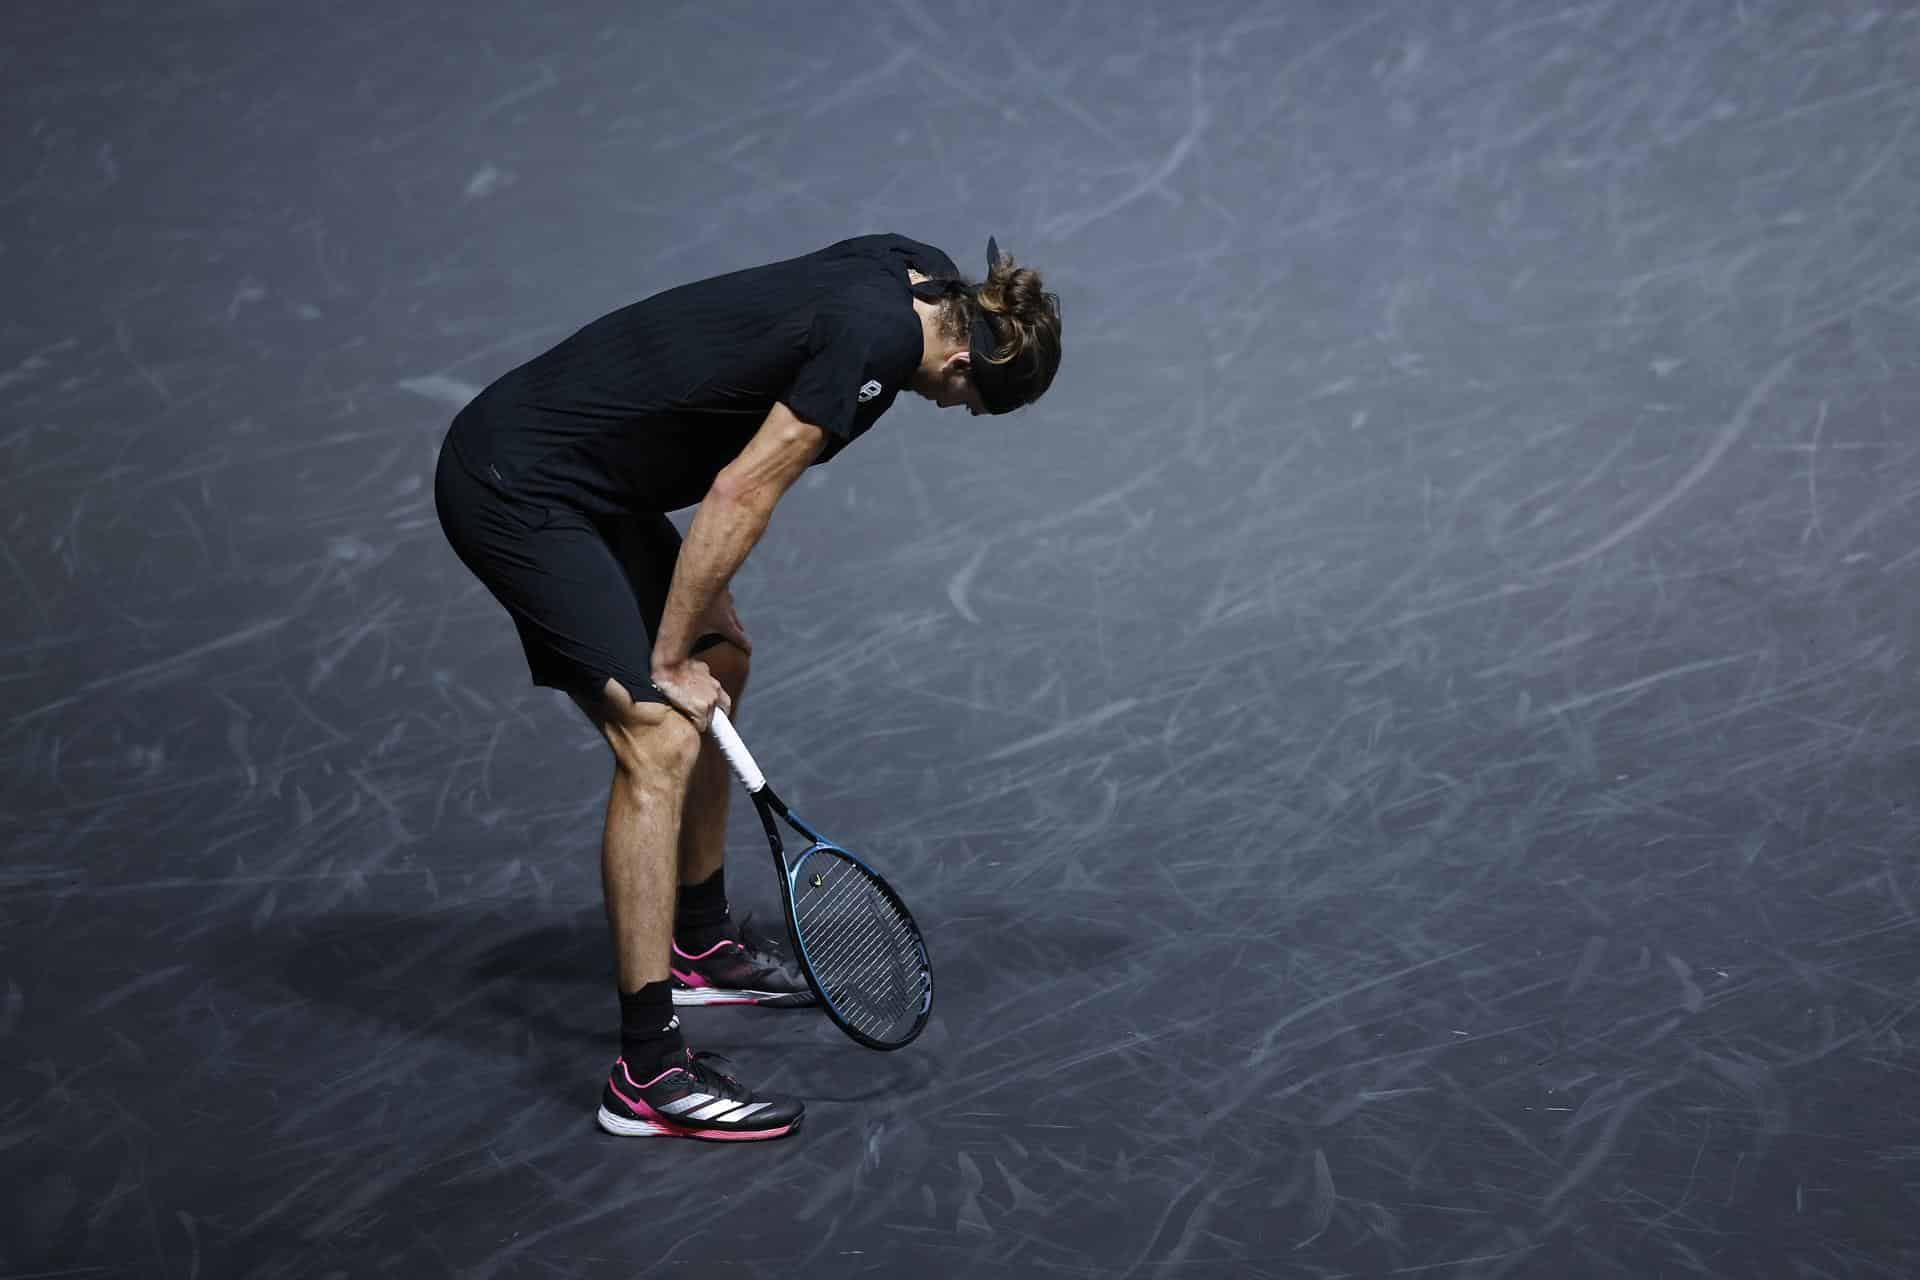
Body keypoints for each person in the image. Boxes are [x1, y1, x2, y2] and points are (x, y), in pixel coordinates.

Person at [433, 233, 1062, 1140]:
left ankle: (699, 941)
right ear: (963, 357)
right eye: (968, 400)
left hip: (598, 470)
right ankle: (646, 1075)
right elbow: (739, 492)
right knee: (658, 735)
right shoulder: (878, 346)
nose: (954, 407)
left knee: (722, 660)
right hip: (519, 484)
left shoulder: (913, 270)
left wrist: (700, 606)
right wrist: (667, 653)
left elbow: (731, 397)